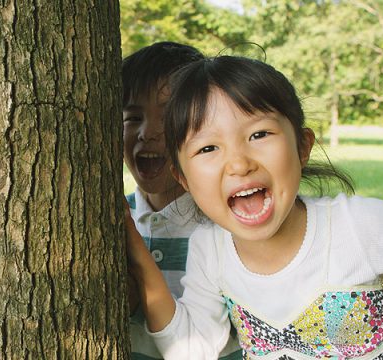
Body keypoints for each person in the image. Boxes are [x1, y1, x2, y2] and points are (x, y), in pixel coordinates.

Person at [125, 55, 383, 359]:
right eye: (208, 148)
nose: (239, 164)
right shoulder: (211, 250)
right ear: (184, 179)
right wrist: (138, 256)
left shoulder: (354, 225)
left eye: (259, 134)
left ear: (302, 147)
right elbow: (191, 350)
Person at [122, 42, 242, 359]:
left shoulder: (223, 223)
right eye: (132, 117)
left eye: (167, 116)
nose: (148, 132)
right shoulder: (112, 215)